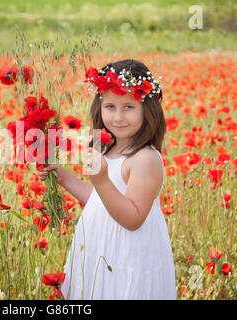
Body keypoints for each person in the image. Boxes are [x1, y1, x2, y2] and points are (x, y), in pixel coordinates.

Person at [38, 59, 176, 299]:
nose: (118, 116)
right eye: (110, 106)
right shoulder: (108, 149)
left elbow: (132, 218)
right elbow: (100, 201)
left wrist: (101, 180)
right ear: (99, 108)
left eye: (129, 107)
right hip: (99, 249)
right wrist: (64, 177)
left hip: (128, 255)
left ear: (148, 108)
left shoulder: (145, 159)